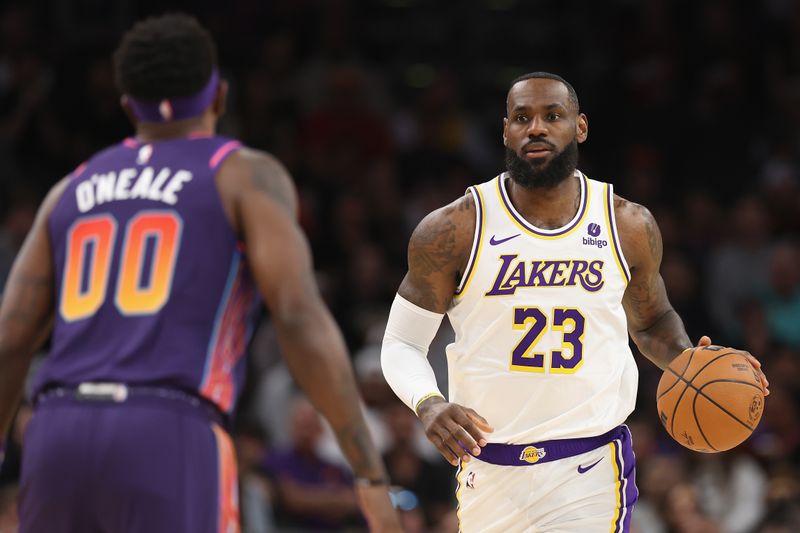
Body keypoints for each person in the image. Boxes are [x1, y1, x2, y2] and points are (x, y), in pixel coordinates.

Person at [0, 14, 401, 533]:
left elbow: (10, 338)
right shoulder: (241, 174)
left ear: (127, 107)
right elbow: (299, 316)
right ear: (219, 97)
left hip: (57, 429)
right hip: (167, 427)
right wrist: (368, 471)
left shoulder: (69, 189)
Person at [380, 72, 770, 532]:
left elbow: (651, 321)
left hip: (590, 467)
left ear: (580, 127)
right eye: (522, 118)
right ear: (505, 131)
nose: (536, 128)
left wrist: (690, 362)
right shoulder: (453, 229)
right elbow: (402, 343)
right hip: (488, 468)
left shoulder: (626, 224)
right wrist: (428, 404)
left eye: (552, 115)